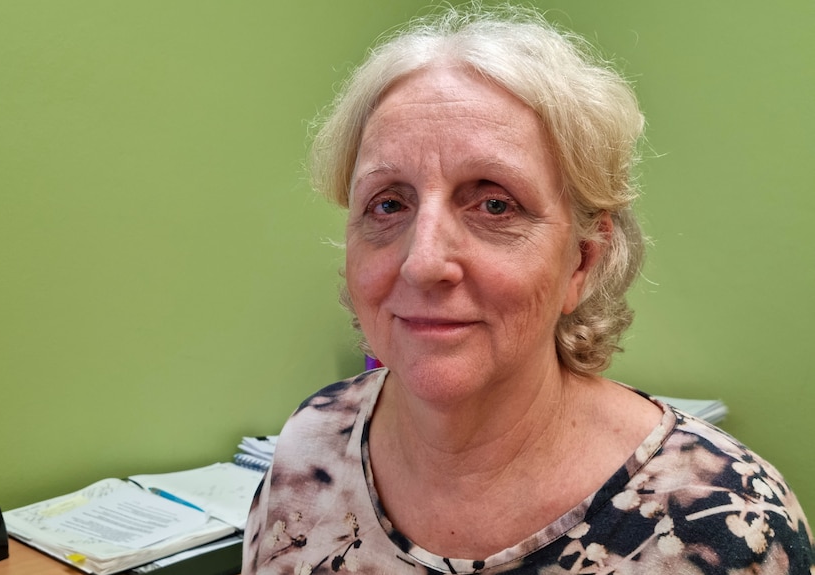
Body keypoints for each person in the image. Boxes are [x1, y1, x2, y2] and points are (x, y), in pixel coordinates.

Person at [242, 6, 813, 574]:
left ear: (583, 261)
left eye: (495, 204)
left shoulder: (725, 520)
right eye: (388, 203)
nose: (422, 263)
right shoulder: (312, 442)